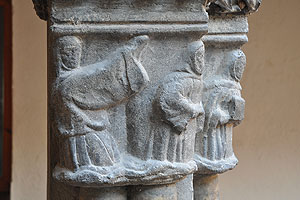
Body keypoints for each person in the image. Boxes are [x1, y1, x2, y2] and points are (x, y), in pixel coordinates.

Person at [52, 35, 149, 171]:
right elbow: (101, 75)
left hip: (95, 131)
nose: (73, 56)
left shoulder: (73, 79)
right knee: (101, 170)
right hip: (83, 137)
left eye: (76, 51)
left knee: (110, 166)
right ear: (59, 56)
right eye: (68, 52)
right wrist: (124, 54)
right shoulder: (67, 83)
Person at [151, 41, 205, 163]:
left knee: (183, 159)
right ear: (190, 58)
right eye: (199, 57)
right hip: (173, 128)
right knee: (172, 159)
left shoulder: (195, 79)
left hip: (188, 128)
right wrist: (192, 109)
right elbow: (169, 97)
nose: (201, 61)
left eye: (202, 57)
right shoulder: (180, 79)